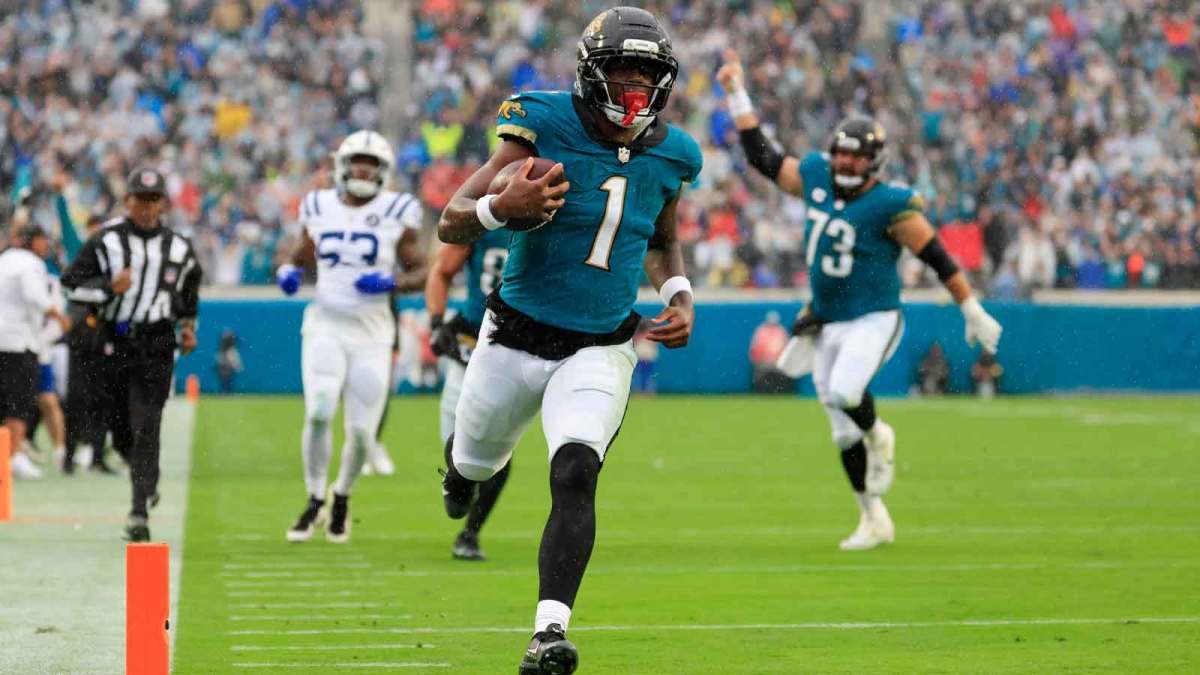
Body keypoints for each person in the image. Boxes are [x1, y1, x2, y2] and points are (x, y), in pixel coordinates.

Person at [436, 8, 701, 673]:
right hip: (514, 334)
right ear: (592, 74)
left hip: (600, 343)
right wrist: (502, 209)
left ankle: (548, 633)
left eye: (648, 76)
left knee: (577, 468)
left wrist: (677, 293)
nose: (636, 89)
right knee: (472, 462)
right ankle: (459, 475)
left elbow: (662, 239)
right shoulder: (542, 121)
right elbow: (451, 221)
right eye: (623, 73)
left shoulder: (674, 152)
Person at [719, 50, 1002, 551]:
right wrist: (736, 90)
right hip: (826, 318)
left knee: (850, 393)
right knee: (838, 428)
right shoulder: (816, 177)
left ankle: (881, 435)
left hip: (874, 316)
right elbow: (763, 157)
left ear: (874, 160)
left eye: (856, 155)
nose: (846, 162)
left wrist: (971, 307)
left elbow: (938, 257)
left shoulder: (892, 204)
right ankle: (873, 516)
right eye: (841, 153)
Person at [276, 130, 428, 544]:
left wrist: (393, 281)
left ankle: (341, 495)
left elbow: (423, 271)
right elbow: (297, 252)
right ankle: (313, 499)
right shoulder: (318, 205)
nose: (363, 169)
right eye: (357, 162)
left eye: (372, 163)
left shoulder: (399, 210)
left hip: (373, 333)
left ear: (383, 171)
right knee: (320, 410)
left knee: (362, 432)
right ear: (342, 166)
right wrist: (288, 270)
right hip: (325, 323)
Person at [61, 167, 202, 542]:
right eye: (140, 199)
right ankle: (145, 478)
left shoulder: (179, 248)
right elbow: (72, 285)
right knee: (119, 428)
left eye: (153, 200)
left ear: (163, 205)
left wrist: (188, 327)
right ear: (128, 201)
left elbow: (189, 292)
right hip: (114, 339)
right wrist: (109, 287)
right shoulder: (105, 240)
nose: (146, 207)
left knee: (147, 422)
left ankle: (139, 510)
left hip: (156, 343)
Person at [425, 222, 512, 561]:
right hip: (474, 342)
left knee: (500, 447)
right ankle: (460, 485)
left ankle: (471, 534)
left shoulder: (556, 221)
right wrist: (436, 322)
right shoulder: (487, 220)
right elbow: (441, 271)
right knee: (459, 453)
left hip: (521, 344)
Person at [0, 226, 71, 480]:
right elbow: (36, 297)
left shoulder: (4, 259)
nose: (45, 246)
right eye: (42, 240)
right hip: (19, 342)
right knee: (18, 406)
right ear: (33, 241)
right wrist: (59, 316)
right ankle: (10, 459)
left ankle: (12, 455)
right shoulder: (31, 264)